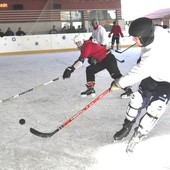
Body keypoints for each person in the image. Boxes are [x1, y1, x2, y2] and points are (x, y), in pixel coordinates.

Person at [110, 17, 170, 153]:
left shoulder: (154, 55)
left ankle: (138, 136)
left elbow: (137, 73)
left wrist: (118, 83)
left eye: (135, 38)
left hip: (167, 80)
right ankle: (127, 127)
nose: (133, 40)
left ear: (145, 37)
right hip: (152, 75)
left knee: (155, 108)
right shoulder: (155, 32)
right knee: (136, 99)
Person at [62, 34, 132, 98]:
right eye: (76, 43)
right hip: (102, 60)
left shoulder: (86, 46)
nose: (78, 44)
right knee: (90, 70)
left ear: (82, 41)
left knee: (115, 75)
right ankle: (90, 89)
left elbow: (80, 62)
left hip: (108, 59)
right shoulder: (85, 45)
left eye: (79, 42)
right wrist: (71, 68)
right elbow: (82, 58)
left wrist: (71, 69)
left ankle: (128, 89)